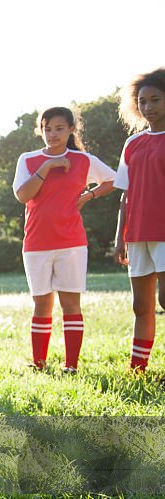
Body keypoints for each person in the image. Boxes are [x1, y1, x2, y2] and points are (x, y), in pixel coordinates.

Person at [12, 107, 115, 372]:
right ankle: (39, 363)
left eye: (59, 128)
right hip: (35, 243)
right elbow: (24, 196)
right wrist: (47, 167)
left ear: (71, 129)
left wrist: (88, 195)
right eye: (47, 129)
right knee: (41, 303)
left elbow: (114, 180)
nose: (53, 134)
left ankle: (71, 366)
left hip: (71, 243)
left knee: (71, 304)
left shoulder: (83, 160)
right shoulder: (29, 159)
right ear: (41, 130)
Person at [114, 68, 165, 372]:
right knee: (140, 306)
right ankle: (138, 370)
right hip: (137, 235)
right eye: (142, 101)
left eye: (155, 100)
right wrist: (120, 236)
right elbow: (125, 195)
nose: (148, 107)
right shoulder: (132, 144)